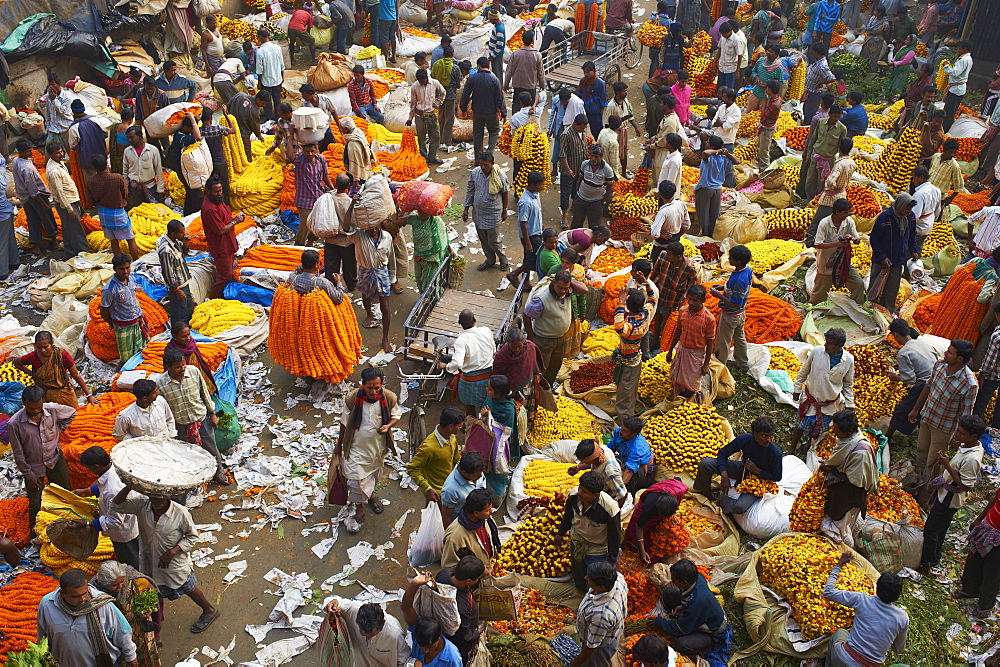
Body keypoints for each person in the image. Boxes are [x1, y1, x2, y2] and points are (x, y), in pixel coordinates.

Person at [111, 487, 219, 633]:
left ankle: (209, 610)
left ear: (168, 496)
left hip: (174, 562)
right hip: (150, 558)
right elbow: (116, 505)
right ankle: (156, 625)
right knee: (154, 589)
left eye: (160, 498)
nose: (156, 502)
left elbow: (192, 536)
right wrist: (131, 485)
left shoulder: (180, 513)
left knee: (187, 585)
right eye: (153, 497)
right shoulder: (142, 505)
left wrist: (173, 551)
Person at [334, 367, 402, 532]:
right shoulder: (352, 399)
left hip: (378, 446)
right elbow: (344, 423)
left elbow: (396, 415)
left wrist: (388, 426)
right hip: (357, 447)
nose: (373, 391)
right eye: (370, 387)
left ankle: (371, 495)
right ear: (362, 385)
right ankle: (360, 508)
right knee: (355, 480)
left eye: (377, 387)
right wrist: (340, 443)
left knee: (374, 474)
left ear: (382, 385)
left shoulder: (389, 397)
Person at [917, 414, 984, 575]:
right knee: (940, 529)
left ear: (973, 436)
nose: (957, 435)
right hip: (946, 494)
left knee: (931, 530)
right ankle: (935, 557)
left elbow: (965, 485)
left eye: (961, 433)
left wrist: (947, 465)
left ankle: (927, 564)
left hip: (949, 497)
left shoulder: (972, 458)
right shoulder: (970, 446)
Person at [37, 568, 138, 667]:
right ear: (62, 594)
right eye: (75, 596)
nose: (82, 599)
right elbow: (42, 639)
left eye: (84, 593)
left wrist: (131, 657)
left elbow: (122, 632)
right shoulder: (47, 605)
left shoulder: (102, 604)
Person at [157, 348, 228, 485]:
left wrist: (212, 414)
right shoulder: (160, 383)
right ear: (168, 367)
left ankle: (218, 471)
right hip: (181, 424)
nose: (182, 369)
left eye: (183, 365)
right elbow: (164, 409)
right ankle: (199, 477)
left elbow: (205, 394)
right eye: (178, 367)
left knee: (211, 447)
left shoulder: (193, 372)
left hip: (201, 419)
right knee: (190, 453)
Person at [908, 339, 978, 477]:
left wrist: (957, 438)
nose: (945, 353)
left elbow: (966, 414)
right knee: (921, 451)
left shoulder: (969, 383)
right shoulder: (939, 365)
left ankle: (925, 494)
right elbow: (928, 386)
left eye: (950, 352)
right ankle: (915, 482)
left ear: (960, 358)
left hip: (943, 429)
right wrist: (916, 408)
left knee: (933, 462)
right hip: (927, 417)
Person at [824, 553, 909, 664]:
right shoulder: (902, 618)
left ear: (876, 589)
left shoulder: (862, 600)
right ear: (898, 596)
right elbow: (898, 649)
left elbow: (828, 592)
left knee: (840, 632)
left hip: (843, 658)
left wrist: (838, 565)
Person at [8, 385, 75, 527]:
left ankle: (69, 524)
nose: (36, 412)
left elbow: (72, 412)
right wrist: (28, 474)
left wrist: (58, 429)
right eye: (32, 409)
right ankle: (35, 530)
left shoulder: (52, 409)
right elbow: (18, 453)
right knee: (35, 503)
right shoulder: (15, 423)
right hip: (33, 467)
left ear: (42, 401)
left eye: (39, 407)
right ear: (24, 403)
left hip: (54, 459)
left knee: (65, 493)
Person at [695, 416, 782, 514]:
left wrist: (757, 471)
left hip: (759, 481)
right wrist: (724, 474)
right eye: (764, 436)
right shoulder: (745, 439)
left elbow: (777, 477)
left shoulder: (775, 453)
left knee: (739, 507)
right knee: (705, 464)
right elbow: (723, 453)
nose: (768, 440)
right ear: (755, 434)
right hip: (742, 469)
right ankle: (706, 494)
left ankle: (721, 501)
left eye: (770, 436)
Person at [72, 446, 141, 569]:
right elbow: (104, 486)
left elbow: (115, 521)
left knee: (131, 562)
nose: (89, 471)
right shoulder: (115, 467)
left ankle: (138, 582)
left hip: (124, 533)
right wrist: (89, 491)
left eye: (89, 468)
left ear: (97, 467)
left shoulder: (112, 490)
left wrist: (87, 524)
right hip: (132, 522)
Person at [789, 328, 856, 454]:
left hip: (829, 403)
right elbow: (804, 372)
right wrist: (797, 389)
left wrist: (850, 404)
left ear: (840, 346)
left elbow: (847, 384)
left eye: (830, 343)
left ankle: (809, 445)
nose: (825, 345)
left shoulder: (848, 360)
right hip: (811, 398)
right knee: (800, 425)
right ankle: (792, 448)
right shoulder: (817, 352)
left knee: (819, 428)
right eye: (826, 341)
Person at [820, 409, 879, 545]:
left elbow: (856, 482)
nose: (833, 432)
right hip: (842, 490)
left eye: (836, 430)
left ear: (847, 433)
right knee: (837, 524)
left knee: (839, 529)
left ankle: (844, 551)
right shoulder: (848, 440)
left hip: (850, 495)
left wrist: (831, 470)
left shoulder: (860, 454)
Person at [557, 471, 621, 591]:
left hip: (597, 548)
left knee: (595, 578)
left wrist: (611, 561)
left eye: (584, 492)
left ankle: (592, 596)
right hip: (577, 541)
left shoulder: (609, 509)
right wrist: (560, 533)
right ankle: (580, 592)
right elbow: (568, 517)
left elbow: (615, 537)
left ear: (595, 495)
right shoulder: (573, 497)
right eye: (580, 488)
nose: (579, 492)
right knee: (579, 572)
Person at [89, 561, 160, 666]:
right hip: (117, 639)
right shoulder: (94, 594)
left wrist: (149, 609)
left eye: (122, 581)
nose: (121, 586)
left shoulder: (134, 579)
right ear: (103, 583)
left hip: (141, 631)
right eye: (114, 585)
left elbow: (152, 591)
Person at [654, 559, 728, 660]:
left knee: (678, 642)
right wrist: (683, 607)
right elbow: (689, 598)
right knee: (669, 592)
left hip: (713, 631)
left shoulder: (697, 603)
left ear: (684, 582)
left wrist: (659, 622)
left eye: (674, 579)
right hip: (699, 613)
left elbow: (682, 628)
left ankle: (708, 646)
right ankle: (682, 622)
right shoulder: (697, 577)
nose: (672, 581)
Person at [524, 269, 588, 386]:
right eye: (560, 287)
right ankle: (535, 392)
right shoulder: (542, 298)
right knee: (541, 368)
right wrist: (531, 337)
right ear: (553, 283)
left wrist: (570, 282)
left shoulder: (568, 291)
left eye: (566, 288)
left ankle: (546, 388)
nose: (563, 291)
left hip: (559, 338)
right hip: (544, 339)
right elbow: (527, 315)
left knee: (555, 365)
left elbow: (584, 290)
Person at [884, 319, 938, 442]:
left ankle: (887, 437)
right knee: (923, 411)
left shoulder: (904, 352)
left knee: (901, 411)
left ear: (896, 334)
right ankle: (919, 433)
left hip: (924, 386)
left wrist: (895, 377)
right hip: (937, 381)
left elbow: (910, 380)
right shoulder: (922, 343)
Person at [614, 273, 658, 418]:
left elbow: (618, 327)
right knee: (628, 389)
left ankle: (624, 420)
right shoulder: (645, 314)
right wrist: (647, 284)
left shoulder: (629, 326)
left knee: (625, 393)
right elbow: (653, 299)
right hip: (635, 359)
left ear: (627, 305)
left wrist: (620, 304)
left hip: (629, 364)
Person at [14, 331, 96, 408]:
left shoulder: (62, 355)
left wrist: (89, 395)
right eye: (39, 347)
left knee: (73, 413)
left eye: (45, 347)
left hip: (63, 391)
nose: (42, 350)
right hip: (43, 392)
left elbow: (75, 375)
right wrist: (32, 374)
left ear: (52, 343)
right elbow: (16, 362)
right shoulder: (33, 357)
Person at [347, 221, 394, 352]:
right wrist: (352, 204)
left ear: (380, 224)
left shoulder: (387, 237)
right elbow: (346, 226)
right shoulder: (359, 235)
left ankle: (385, 339)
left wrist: (393, 278)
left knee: (385, 306)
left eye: (375, 226)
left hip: (381, 271)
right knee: (365, 294)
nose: (372, 229)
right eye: (369, 227)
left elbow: (390, 257)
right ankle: (369, 314)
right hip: (365, 270)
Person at [400, 574, 464, 667]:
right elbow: (406, 607)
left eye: (429, 647)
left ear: (438, 637)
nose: (425, 651)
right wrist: (415, 584)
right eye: (421, 647)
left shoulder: (452, 658)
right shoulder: (418, 629)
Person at [810, 199, 865, 305]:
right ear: (837, 212)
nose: (848, 214)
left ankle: (855, 307)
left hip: (844, 261)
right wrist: (837, 244)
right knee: (819, 293)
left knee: (858, 284)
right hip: (826, 262)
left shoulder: (849, 221)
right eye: (845, 212)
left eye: (849, 212)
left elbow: (858, 240)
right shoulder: (824, 223)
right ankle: (815, 309)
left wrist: (853, 238)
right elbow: (818, 244)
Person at [323, 598, 408, 667]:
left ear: (382, 623)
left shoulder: (396, 635)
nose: (366, 638)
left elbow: (403, 660)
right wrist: (333, 602)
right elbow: (337, 602)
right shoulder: (354, 610)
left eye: (371, 634)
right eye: (361, 630)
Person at [573, 560, 628, 665]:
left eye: (589, 579)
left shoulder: (601, 615)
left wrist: (574, 664)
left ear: (601, 587)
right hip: (612, 630)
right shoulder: (617, 579)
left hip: (601, 646)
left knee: (595, 663)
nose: (585, 578)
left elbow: (591, 647)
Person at [869, 192, 917, 312]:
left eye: (910, 208)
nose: (909, 210)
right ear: (900, 206)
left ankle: (887, 310)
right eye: (907, 208)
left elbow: (912, 235)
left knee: (892, 288)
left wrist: (913, 250)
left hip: (898, 258)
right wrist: (882, 257)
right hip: (881, 260)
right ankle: (870, 307)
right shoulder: (885, 218)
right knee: (876, 286)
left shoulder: (910, 217)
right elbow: (874, 239)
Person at [666, 283, 715, 399]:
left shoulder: (709, 319)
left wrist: (706, 364)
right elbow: (678, 331)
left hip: (696, 354)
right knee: (678, 378)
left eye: (695, 300)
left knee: (693, 381)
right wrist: (670, 350)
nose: (692, 303)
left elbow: (710, 342)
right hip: (682, 349)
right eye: (690, 299)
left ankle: (694, 399)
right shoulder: (683, 311)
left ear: (703, 300)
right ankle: (680, 397)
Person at [407, 407, 466, 504]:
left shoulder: (452, 438)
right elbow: (412, 468)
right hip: (436, 492)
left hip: (449, 486)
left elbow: (456, 459)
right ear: (451, 427)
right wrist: (427, 488)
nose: (460, 428)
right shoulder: (428, 447)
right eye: (459, 426)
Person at [648, 239, 697, 355]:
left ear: (678, 256)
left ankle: (663, 341)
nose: (667, 255)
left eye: (670, 254)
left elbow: (692, 282)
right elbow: (655, 271)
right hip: (662, 290)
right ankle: (655, 339)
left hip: (675, 296)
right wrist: (649, 283)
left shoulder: (689, 267)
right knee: (658, 313)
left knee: (669, 318)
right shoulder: (663, 256)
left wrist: (685, 295)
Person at [622, 478, 688, 563]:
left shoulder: (679, 491)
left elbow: (677, 480)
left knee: (655, 531)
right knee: (632, 534)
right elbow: (639, 526)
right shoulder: (648, 508)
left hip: (665, 494)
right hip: (649, 502)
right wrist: (642, 551)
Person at [464, 151, 510, 271]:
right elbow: (470, 191)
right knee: (484, 240)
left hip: (493, 214)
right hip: (478, 213)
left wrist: (505, 210)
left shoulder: (500, 176)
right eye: (481, 165)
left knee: (494, 241)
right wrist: (466, 209)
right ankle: (490, 260)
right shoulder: (475, 173)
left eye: (486, 165)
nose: (483, 167)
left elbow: (505, 193)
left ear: (492, 164)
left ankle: (503, 259)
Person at [88, 154, 140, 260]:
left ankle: (118, 262)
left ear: (94, 167)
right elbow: (125, 194)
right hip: (118, 213)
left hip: (103, 214)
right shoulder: (117, 178)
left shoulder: (90, 181)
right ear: (107, 164)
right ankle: (136, 261)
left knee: (113, 240)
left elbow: (90, 200)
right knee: (130, 239)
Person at [443, 310, 497, 412]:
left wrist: (446, 366)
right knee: (486, 407)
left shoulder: (461, 341)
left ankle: (471, 425)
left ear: (459, 323)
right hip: (489, 377)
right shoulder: (486, 331)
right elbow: (493, 350)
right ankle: (485, 425)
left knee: (469, 407)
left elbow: (457, 363)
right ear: (475, 320)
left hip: (470, 380)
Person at [42, 143, 88, 257]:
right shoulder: (53, 171)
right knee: (77, 231)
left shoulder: (60, 163)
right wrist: (69, 209)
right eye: (57, 153)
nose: (61, 154)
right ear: (50, 154)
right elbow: (59, 192)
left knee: (68, 230)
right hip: (66, 204)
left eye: (61, 151)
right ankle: (83, 253)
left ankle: (70, 252)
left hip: (70, 201)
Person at [710, 244, 752, 369]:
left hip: (731, 315)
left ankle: (720, 366)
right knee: (740, 339)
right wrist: (724, 287)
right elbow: (738, 292)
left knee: (723, 342)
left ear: (738, 262)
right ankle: (743, 364)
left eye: (731, 258)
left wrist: (719, 295)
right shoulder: (746, 270)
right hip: (740, 314)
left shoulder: (739, 280)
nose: (728, 260)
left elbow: (735, 303)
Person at [201, 175, 242, 300]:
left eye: (220, 190)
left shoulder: (218, 200)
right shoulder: (210, 209)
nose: (219, 193)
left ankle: (225, 293)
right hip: (220, 246)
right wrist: (235, 221)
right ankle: (216, 297)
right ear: (209, 191)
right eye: (216, 191)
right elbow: (220, 230)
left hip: (228, 243)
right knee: (224, 275)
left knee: (228, 272)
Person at [11, 139, 55, 254]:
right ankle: (53, 240)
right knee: (47, 218)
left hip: (24, 197)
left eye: (31, 150)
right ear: (20, 151)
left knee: (33, 220)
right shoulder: (27, 169)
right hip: (36, 197)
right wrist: (43, 204)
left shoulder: (16, 160)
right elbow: (33, 190)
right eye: (28, 151)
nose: (30, 153)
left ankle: (37, 244)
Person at [99, 255, 147, 363]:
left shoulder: (131, 278)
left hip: (137, 320)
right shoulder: (110, 289)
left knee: (139, 351)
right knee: (126, 357)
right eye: (121, 269)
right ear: (115, 269)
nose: (125, 271)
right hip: (123, 326)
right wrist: (111, 323)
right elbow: (104, 310)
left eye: (127, 267)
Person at [460, 58, 505, 166]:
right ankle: (489, 154)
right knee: (494, 132)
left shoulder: (473, 78)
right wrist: (503, 112)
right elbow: (500, 97)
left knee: (477, 135)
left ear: (478, 66)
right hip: (491, 112)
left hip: (478, 112)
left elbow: (465, 94)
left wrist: (463, 108)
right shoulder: (494, 79)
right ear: (488, 66)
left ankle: (478, 160)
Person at [480, 375, 520, 494]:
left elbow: (502, 432)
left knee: (497, 466)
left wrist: (486, 417)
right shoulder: (491, 399)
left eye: (490, 389)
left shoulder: (507, 410)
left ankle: (498, 493)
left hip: (499, 444)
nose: (486, 390)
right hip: (486, 439)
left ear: (498, 394)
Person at [492, 327, 543, 419]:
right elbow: (497, 375)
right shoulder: (502, 356)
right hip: (511, 391)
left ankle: (528, 421)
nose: (517, 349)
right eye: (513, 347)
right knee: (515, 413)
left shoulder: (530, 347)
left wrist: (537, 375)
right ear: (508, 344)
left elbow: (535, 363)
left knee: (527, 407)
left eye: (520, 346)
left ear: (524, 342)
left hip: (527, 385)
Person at [441, 488, 500, 568]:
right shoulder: (455, 537)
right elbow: (449, 567)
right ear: (476, 513)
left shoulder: (484, 519)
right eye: (487, 510)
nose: (491, 511)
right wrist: (476, 571)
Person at [507, 170, 545, 286]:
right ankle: (514, 274)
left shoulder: (535, 194)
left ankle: (526, 282)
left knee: (528, 258)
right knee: (533, 260)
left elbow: (537, 212)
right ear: (532, 185)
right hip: (530, 235)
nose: (541, 187)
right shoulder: (525, 202)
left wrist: (541, 225)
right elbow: (523, 223)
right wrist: (528, 243)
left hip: (537, 231)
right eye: (539, 185)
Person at [802, 104, 847, 202]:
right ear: (829, 114)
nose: (836, 119)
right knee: (810, 182)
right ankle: (809, 200)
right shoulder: (821, 122)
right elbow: (813, 139)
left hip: (828, 160)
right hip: (816, 156)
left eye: (838, 117)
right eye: (835, 116)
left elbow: (841, 148)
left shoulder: (842, 129)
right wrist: (809, 155)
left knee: (822, 184)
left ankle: (819, 201)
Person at [291, 143, 333, 247]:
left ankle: (310, 242)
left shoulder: (321, 159)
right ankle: (299, 245)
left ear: (316, 149)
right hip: (304, 198)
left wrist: (333, 189)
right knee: (305, 224)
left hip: (318, 196)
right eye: (307, 151)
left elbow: (325, 176)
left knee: (317, 222)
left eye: (312, 151)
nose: (310, 154)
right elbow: (289, 156)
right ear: (302, 150)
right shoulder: (300, 160)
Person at [693, 136, 736, 237]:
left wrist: (724, 153)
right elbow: (736, 161)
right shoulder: (722, 157)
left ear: (711, 146)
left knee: (704, 214)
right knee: (713, 213)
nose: (706, 143)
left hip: (706, 189)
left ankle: (706, 234)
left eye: (707, 142)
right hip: (717, 189)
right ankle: (711, 233)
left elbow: (705, 153)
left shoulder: (709, 157)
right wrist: (722, 152)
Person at [156, 219, 194, 326]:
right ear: (173, 233)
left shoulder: (175, 241)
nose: (184, 234)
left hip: (183, 281)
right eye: (181, 232)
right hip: (177, 286)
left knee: (188, 309)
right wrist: (177, 290)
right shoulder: (166, 250)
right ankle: (179, 333)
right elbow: (167, 272)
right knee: (179, 313)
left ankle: (186, 332)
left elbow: (181, 256)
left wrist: (185, 245)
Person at [569, 437, 629, 503]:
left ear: (592, 459)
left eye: (584, 462)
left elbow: (622, 495)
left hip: (607, 499)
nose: (582, 463)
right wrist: (579, 467)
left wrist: (615, 511)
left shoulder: (610, 471)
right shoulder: (600, 450)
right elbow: (593, 464)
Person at [557, 114, 590, 228]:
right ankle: (564, 216)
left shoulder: (582, 133)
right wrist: (568, 169)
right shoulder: (566, 135)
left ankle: (574, 207)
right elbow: (562, 155)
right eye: (582, 127)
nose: (583, 130)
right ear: (575, 125)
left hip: (579, 169)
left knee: (576, 191)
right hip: (569, 171)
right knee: (565, 193)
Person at [606, 416, 654, 493]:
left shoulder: (638, 448)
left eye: (624, 430)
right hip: (625, 459)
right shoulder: (619, 432)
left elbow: (630, 470)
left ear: (634, 434)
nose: (621, 431)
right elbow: (609, 449)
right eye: (622, 427)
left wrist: (617, 489)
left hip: (641, 468)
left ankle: (629, 494)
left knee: (632, 479)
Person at [572, 143, 615, 229]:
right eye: (591, 156)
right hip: (581, 199)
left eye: (596, 156)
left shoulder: (608, 170)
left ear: (601, 156)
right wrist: (577, 194)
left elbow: (610, 187)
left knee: (594, 227)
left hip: (596, 202)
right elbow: (580, 178)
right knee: (576, 224)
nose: (593, 159)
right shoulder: (585, 164)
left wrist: (603, 201)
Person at [407, 69, 446, 165]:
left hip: (431, 114)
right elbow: (413, 103)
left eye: (422, 81)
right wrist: (410, 117)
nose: (421, 83)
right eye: (419, 81)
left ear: (426, 78)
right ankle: (424, 157)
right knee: (421, 137)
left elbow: (443, 93)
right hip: (419, 114)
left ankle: (432, 157)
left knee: (435, 136)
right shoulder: (414, 86)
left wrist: (437, 103)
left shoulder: (434, 83)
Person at [122, 126, 165, 208]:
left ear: (140, 136)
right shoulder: (127, 151)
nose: (129, 140)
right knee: (138, 211)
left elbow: (159, 170)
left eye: (132, 137)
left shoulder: (153, 150)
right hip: (134, 188)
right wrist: (126, 188)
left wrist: (160, 189)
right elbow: (125, 171)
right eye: (128, 138)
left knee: (152, 211)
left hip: (150, 187)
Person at [441, 452, 486, 527]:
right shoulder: (450, 490)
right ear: (464, 473)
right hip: (461, 525)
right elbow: (446, 516)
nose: (481, 476)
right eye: (476, 475)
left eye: (481, 473)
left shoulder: (477, 471)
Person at [505, 30, 546, 112]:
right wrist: (543, 85)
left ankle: (515, 123)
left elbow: (509, 71)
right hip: (530, 86)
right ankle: (528, 124)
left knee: (516, 106)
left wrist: (506, 85)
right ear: (532, 41)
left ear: (522, 40)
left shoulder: (515, 54)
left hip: (518, 85)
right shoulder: (537, 55)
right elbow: (540, 73)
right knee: (530, 108)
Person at [434, 46, 465, 146]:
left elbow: (432, 77)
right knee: (449, 118)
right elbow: (458, 81)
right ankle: (446, 141)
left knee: (441, 116)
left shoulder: (437, 64)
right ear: (452, 54)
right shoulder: (455, 67)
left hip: (438, 94)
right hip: (450, 95)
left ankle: (440, 137)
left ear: (443, 54)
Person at [909, 165, 941, 256]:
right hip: (928, 224)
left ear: (922, 178)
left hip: (919, 227)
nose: (913, 181)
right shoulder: (936, 190)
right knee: (918, 246)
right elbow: (938, 210)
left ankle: (910, 266)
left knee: (912, 249)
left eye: (914, 178)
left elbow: (914, 216)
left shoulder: (919, 194)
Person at [942, 40, 973, 133]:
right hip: (958, 88)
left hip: (956, 89)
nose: (958, 50)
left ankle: (944, 128)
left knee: (949, 111)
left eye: (960, 48)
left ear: (965, 49)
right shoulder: (968, 59)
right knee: (950, 109)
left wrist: (946, 67)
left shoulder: (963, 60)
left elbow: (955, 73)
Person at [802, 44, 836, 124]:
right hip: (810, 92)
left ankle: (809, 129)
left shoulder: (822, 66)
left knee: (810, 114)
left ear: (817, 53)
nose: (813, 54)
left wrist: (820, 83)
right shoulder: (818, 62)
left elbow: (831, 78)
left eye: (813, 53)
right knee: (806, 111)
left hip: (814, 94)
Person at [754, 80, 782, 171]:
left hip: (767, 129)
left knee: (764, 152)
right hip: (767, 127)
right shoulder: (776, 98)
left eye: (767, 88)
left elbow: (763, 114)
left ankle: (765, 170)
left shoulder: (774, 104)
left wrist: (764, 101)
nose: (766, 89)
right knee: (763, 149)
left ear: (770, 90)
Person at [650, 178, 688, 243]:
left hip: (662, 244)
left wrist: (661, 234)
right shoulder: (681, 204)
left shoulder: (663, 212)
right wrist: (677, 236)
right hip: (676, 240)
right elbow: (687, 226)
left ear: (660, 194)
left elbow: (654, 234)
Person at [0, 155, 20, 278]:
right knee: (9, 237)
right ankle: (14, 261)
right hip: (6, 210)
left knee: (2, 242)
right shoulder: (3, 176)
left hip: (2, 213)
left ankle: (2, 271)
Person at [42, 73, 74, 151]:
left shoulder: (67, 97)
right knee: (49, 150)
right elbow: (48, 112)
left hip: (65, 128)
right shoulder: (49, 96)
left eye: (53, 84)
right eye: (50, 85)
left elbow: (62, 111)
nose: (51, 87)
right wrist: (48, 125)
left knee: (69, 150)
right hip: (53, 128)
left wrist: (54, 100)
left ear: (59, 84)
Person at [578, 61, 608, 140]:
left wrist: (600, 115)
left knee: (597, 134)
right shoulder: (582, 81)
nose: (585, 74)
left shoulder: (600, 84)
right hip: (584, 112)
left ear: (593, 71)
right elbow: (579, 97)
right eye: (584, 72)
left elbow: (603, 101)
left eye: (587, 72)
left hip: (595, 114)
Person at [340, 116, 375, 184]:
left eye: (341, 128)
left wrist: (356, 179)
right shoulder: (358, 131)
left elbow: (355, 165)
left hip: (357, 175)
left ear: (346, 129)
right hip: (364, 166)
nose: (340, 129)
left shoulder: (352, 144)